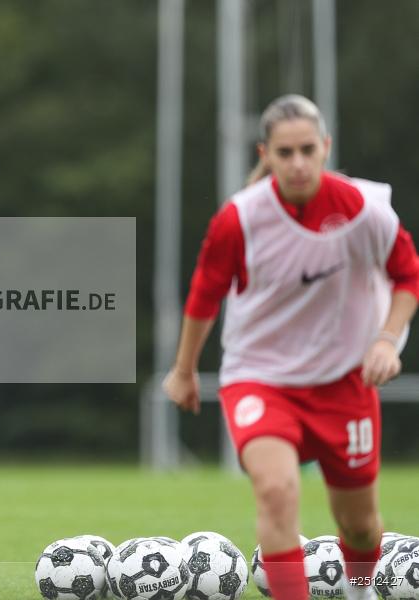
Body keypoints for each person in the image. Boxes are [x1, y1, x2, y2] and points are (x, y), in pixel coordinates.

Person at [162, 94, 419, 600]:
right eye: (285, 152)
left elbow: (407, 275)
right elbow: (203, 296)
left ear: (325, 147)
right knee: (277, 492)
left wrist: (387, 340)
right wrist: (184, 369)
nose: (298, 163)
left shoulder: (365, 210)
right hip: (261, 378)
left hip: (346, 382)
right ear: (266, 153)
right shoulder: (240, 219)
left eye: (307, 149)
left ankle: (361, 591)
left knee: (362, 526)